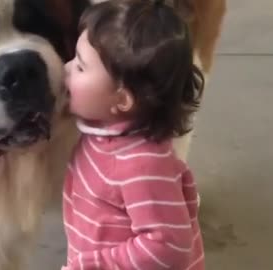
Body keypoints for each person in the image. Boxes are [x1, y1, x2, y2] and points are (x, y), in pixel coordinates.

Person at [61, 0, 205, 269]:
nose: (66, 68)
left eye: (80, 67)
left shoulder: (142, 165)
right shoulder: (104, 132)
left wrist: (95, 264)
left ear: (123, 99)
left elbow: (169, 247)